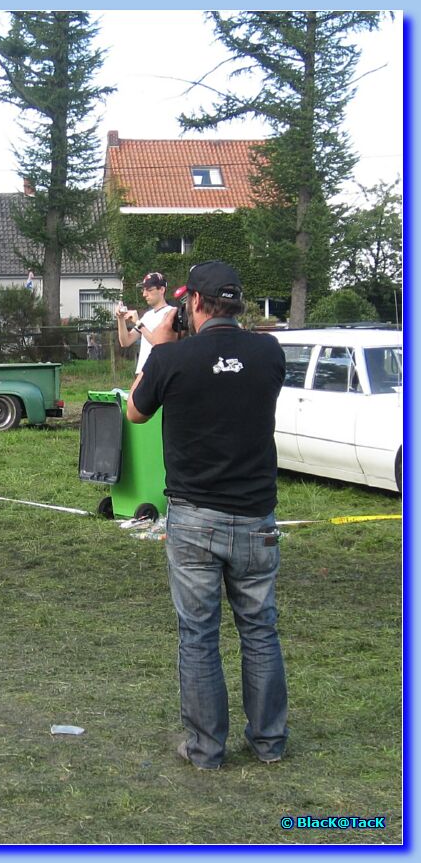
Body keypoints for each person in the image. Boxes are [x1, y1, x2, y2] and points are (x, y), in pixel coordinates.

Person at [127, 260, 288, 770]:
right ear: (237, 303)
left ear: (192, 303)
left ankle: (206, 749)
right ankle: (269, 743)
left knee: (198, 635)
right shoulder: (269, 352)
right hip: (256, 516)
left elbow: (134, 410)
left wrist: (162, 346)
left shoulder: (173, 359)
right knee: (259, 630)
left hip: (194, 517)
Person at [117, 272, 173, 375]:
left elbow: (159, 344)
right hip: (142, 373)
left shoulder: (171, 313)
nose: (144, 294)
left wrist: (138, 323)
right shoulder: (147, 315)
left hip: (159, 374)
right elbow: (125, 342)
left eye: (149, 290)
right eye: (143, 290)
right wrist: (120, 319)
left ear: (162, 290)